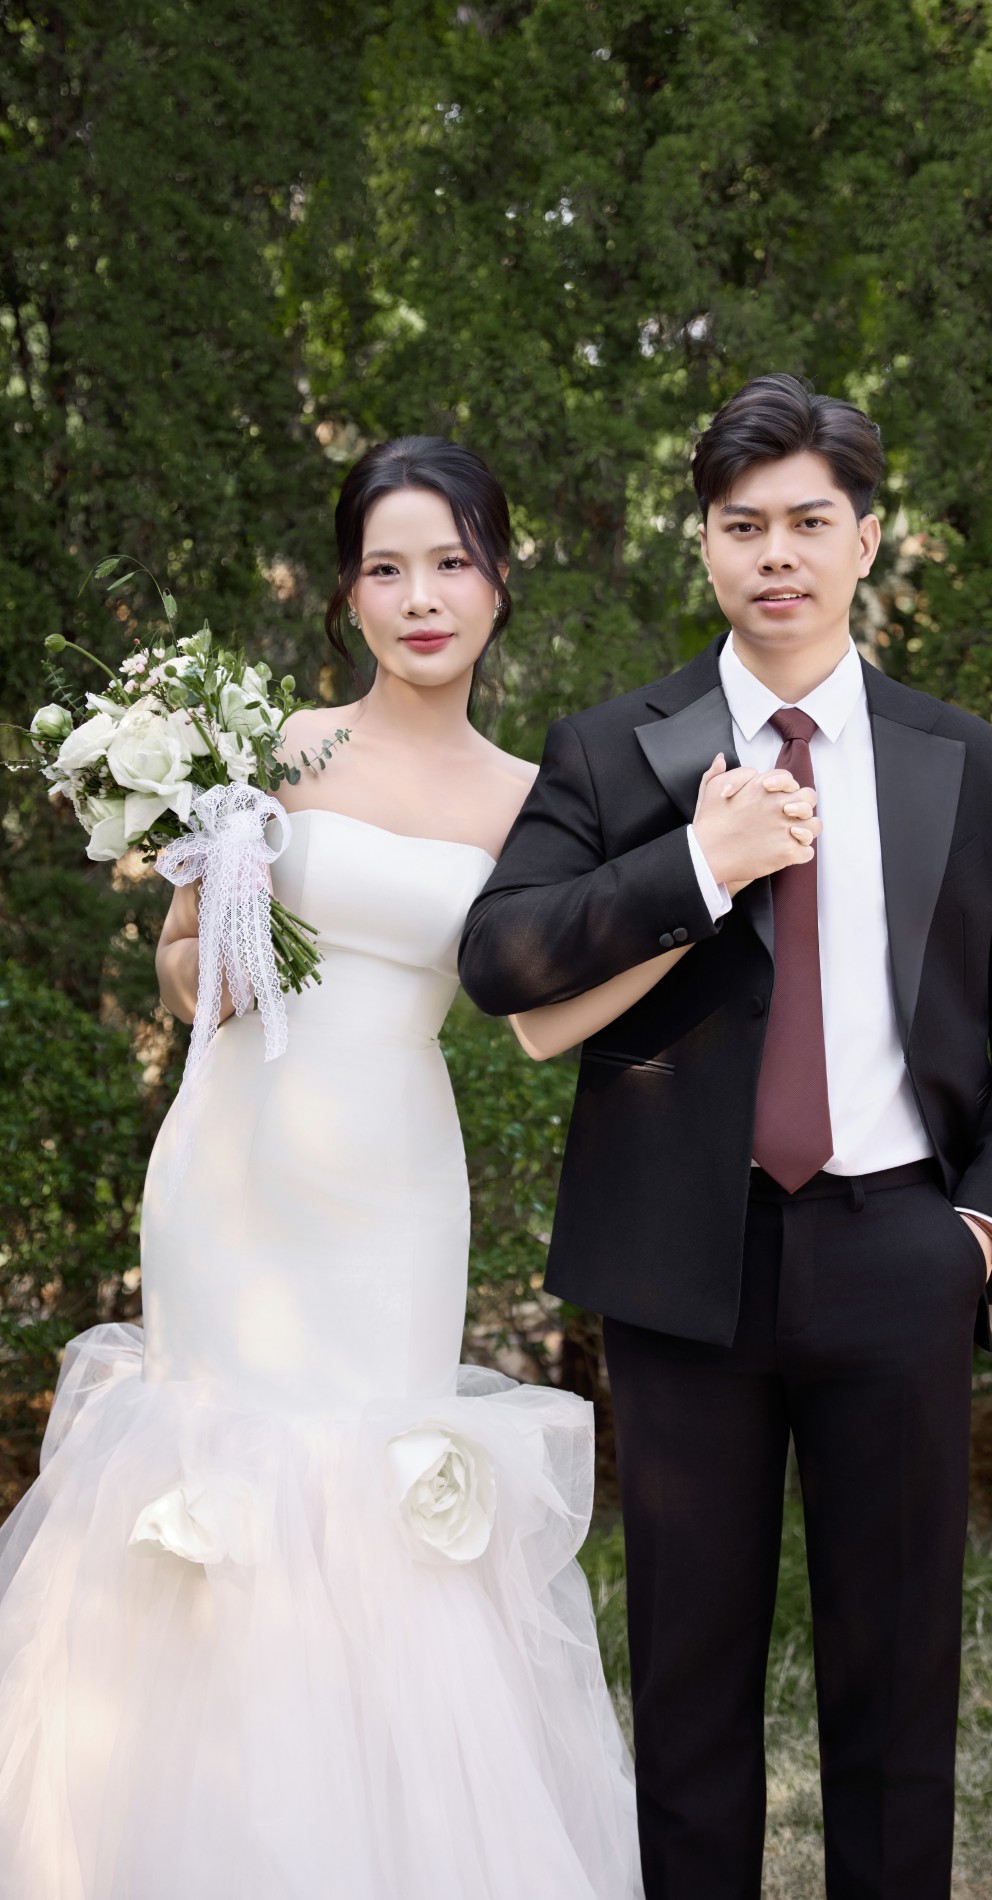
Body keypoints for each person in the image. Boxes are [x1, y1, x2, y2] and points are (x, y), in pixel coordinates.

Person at [459, 374, 992, 1899]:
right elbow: (501, 960)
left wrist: (983, 1225)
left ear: (867, 540)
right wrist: (701, 861)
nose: (777, 555)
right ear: (705, 545)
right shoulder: (615, 749)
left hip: (900, 1253)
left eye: (811, 522)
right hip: (686, 1272)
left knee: (897, 1687)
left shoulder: (964, 759)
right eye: (743, 526)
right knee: (688, 1695)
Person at [0, 437, 649, 1899]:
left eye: (451, 563)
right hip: (230, 1174)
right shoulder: (272, 747)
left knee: (373, 1495)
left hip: (390, 1190)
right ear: (348, 591)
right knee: (215, 1476)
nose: (420, 598)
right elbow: (181, 964)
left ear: (498, 581)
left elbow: (539, 1013)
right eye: (385, 568)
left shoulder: (535, 798)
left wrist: (703, 899)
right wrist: (208, 962)